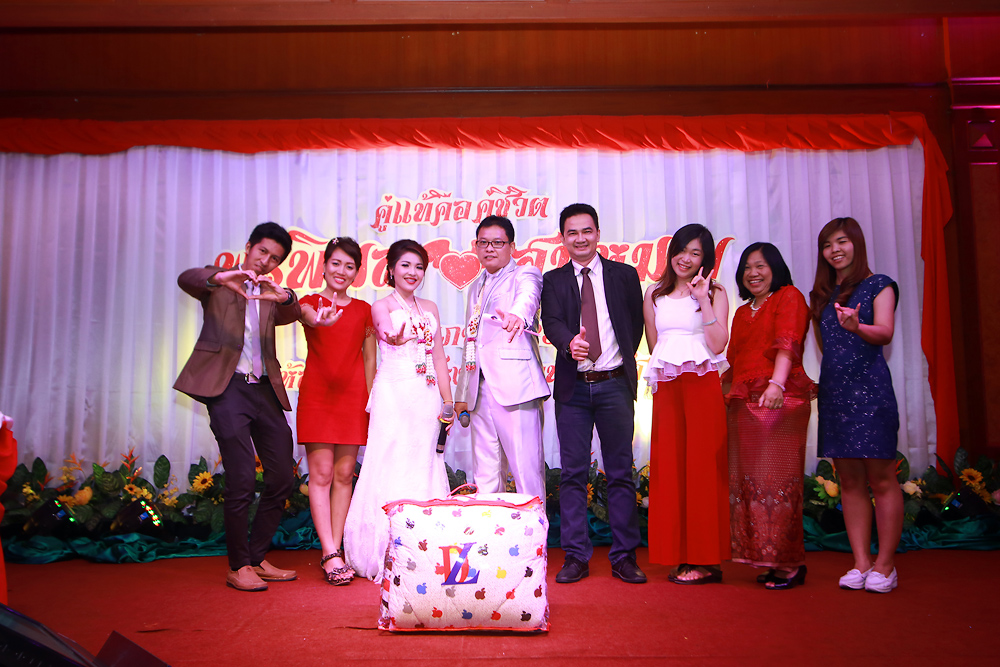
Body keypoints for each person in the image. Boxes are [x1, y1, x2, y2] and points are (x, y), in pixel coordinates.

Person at [174, 222, 301, 592]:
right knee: (242, 477)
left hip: (264, 390)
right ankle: (238, 565)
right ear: (248, 247)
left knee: (282, 476)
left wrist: (285, 296)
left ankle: (257, 558)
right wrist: (222, 277)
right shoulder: (219, 282)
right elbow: (187, 278)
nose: (265, 261)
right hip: (228, 388)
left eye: (274, 258)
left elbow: (292, 311)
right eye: (262, 252)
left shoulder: (270, 293)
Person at [540, 203, 646, 585]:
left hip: (615, 384)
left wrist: (615, 360)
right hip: (573, 390)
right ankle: (575, 556)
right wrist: (569, 343)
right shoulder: (553, 280)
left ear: (598, 234)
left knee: (619, 472)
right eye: (572, 232)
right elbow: (551, 321)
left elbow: (634, 325)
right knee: (572, 474)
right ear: (562, 238)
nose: (580, 238)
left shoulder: (624, 275)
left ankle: (624, 556)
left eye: (587, 231)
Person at [343, 239, 454, 581]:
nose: (412, 272)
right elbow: (385, 331)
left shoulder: (431, 307)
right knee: (389, 461)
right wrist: (394, 337)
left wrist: (448, 400)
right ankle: (385, 549)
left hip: (427, 394)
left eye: (419, 267)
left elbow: (439, 356)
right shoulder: (381, 305)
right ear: (391, 269)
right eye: (405, 265)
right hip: (393, 392)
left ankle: (426, 548)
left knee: (424, 463)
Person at [809, 217, 902, 594]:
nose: (835, 250)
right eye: (827, 244)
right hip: (836, 395)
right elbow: (827, 348)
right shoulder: (823, 296)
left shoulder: (879, 284)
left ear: (856, 244)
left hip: (871, 392)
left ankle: (886, 566)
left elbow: (885, 332)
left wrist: (857, 327)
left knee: (882, 478)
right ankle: (861, 562)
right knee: (848, 480)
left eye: (842, 242)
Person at [724, 242, 816, 590]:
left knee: (778, 484)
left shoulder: (788, 296)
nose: (754, 273)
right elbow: (734, 360)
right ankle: (768, 558)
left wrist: (776, 384)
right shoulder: (741, 312)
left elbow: (787, 342)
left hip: (779, 400)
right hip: (744, 405)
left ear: (775, 268)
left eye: (760, 265)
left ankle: (790, 564)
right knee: (752, 485)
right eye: (747, 267)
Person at [643, 223, 730, 585]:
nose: (686, 258)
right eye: (681, 250)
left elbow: (719, 343)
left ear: (705, 259)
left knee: (702, 466)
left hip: (702, 383)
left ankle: (705, 558)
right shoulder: (654, 293)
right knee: (670, 467)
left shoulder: (716, 292)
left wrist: (703, 299)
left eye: (695, 253)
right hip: (668, 385)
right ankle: (677, 553)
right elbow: (654, 344)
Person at [297, 237, 376, 585]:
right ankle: (329, 552)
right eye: (336, 263)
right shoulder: (308, 303)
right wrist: (321, 320)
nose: (341, 271)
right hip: (318, 395)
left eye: (349, 266)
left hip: (354, 398)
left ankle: (337, 548)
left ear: (357, 272)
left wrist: (371, 400)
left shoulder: (364, 310)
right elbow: (310, 318)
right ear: (324, 265)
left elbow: (370, 358)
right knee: (322, 474)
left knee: (344, 475)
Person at [454, 216, 549, 500]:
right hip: (479, 390)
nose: (489, 248)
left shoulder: (525, 274)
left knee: (526, 471)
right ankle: (491, 528)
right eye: (483, 243)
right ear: (476, 246)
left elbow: (528, 297)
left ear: (511, 246)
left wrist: (518, 315)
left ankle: (534, 529)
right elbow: (471, 340)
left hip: (516, 387)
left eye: (497, 242)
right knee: (485, 474)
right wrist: (463, 392)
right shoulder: (475, 286)